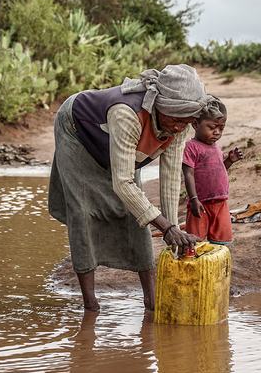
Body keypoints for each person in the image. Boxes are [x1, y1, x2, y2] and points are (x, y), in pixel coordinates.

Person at [48, 64, 205, 312]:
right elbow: (123, 183)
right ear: (159, 106)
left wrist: (172, 232)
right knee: (83, 213)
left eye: (186, 122)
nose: (178, 127)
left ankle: (151, 301)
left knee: (135, 214)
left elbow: (171, 177)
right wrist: (165, 227)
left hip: (116, 145)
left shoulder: (179, 124)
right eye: (175, 120)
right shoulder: (126, 114)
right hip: (78, 133)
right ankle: (91, 305)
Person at [182, 97, 243, 245]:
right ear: (195, 124)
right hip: (200, 203)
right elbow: (188, 173)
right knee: (195, 243)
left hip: (221, 202)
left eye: (221, 128)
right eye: (212, 127)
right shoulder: (191, 147)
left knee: (222, 242)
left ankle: (218, 264)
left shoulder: (215, 146)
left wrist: (229, 161)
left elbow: (219, 170)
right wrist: (194, 199)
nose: (217, 132)